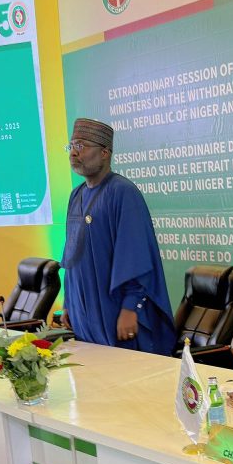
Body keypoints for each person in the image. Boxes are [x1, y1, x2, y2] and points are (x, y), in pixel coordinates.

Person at [61, 117, 176, 354]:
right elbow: (72, 256)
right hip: (83, 311)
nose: (73, 153)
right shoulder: (76, 195)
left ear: (104, 153)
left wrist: (130, 308)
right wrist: (69, 303)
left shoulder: (123, 193)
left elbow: (136, 257)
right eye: (71, 146)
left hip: (114, 310)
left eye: (81, 146)